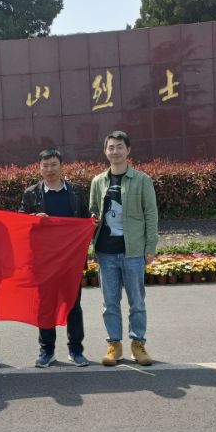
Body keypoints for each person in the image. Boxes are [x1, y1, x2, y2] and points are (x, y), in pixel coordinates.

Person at [89, 131, 159, 367]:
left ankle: (138, 344)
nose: (115, 151)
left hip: (133, 251)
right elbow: (93, 212)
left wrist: (150, 246)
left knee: (136, 302)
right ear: (105, 151)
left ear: (128, 150)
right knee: (109, 303)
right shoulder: (98, 181)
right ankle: (114, 344)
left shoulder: (142, 180)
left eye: (119, 147)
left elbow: (151, 214)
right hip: (106, 252)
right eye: (111, 147)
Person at [19, 148, 90, 367]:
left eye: (53, 165)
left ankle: (76, 350)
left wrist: (92, 222)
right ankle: (47, 351)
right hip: (44, 261)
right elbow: (20, 221)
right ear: (39, 168)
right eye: (45, 165)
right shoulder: (31, 193)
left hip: (70, 261)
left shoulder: (75, 191)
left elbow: (85, 218)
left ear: (61, 166)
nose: (50, 169)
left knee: (73, 305)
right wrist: (33, 218)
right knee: (46, 305)